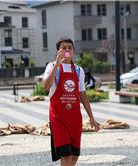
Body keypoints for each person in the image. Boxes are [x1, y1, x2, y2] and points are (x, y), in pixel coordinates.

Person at [43, 36, 100, 166]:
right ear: (58, 51)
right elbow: (46, 87)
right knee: (66, 154)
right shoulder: (51, 66)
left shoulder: (78, 70)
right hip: (58, 118)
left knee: (74, 156)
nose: (67, 50)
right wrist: (57, 64)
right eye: (63, 48)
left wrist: (91, 117)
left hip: (74, 118)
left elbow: (83, 96)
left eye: (70, 48)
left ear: (73, 51)